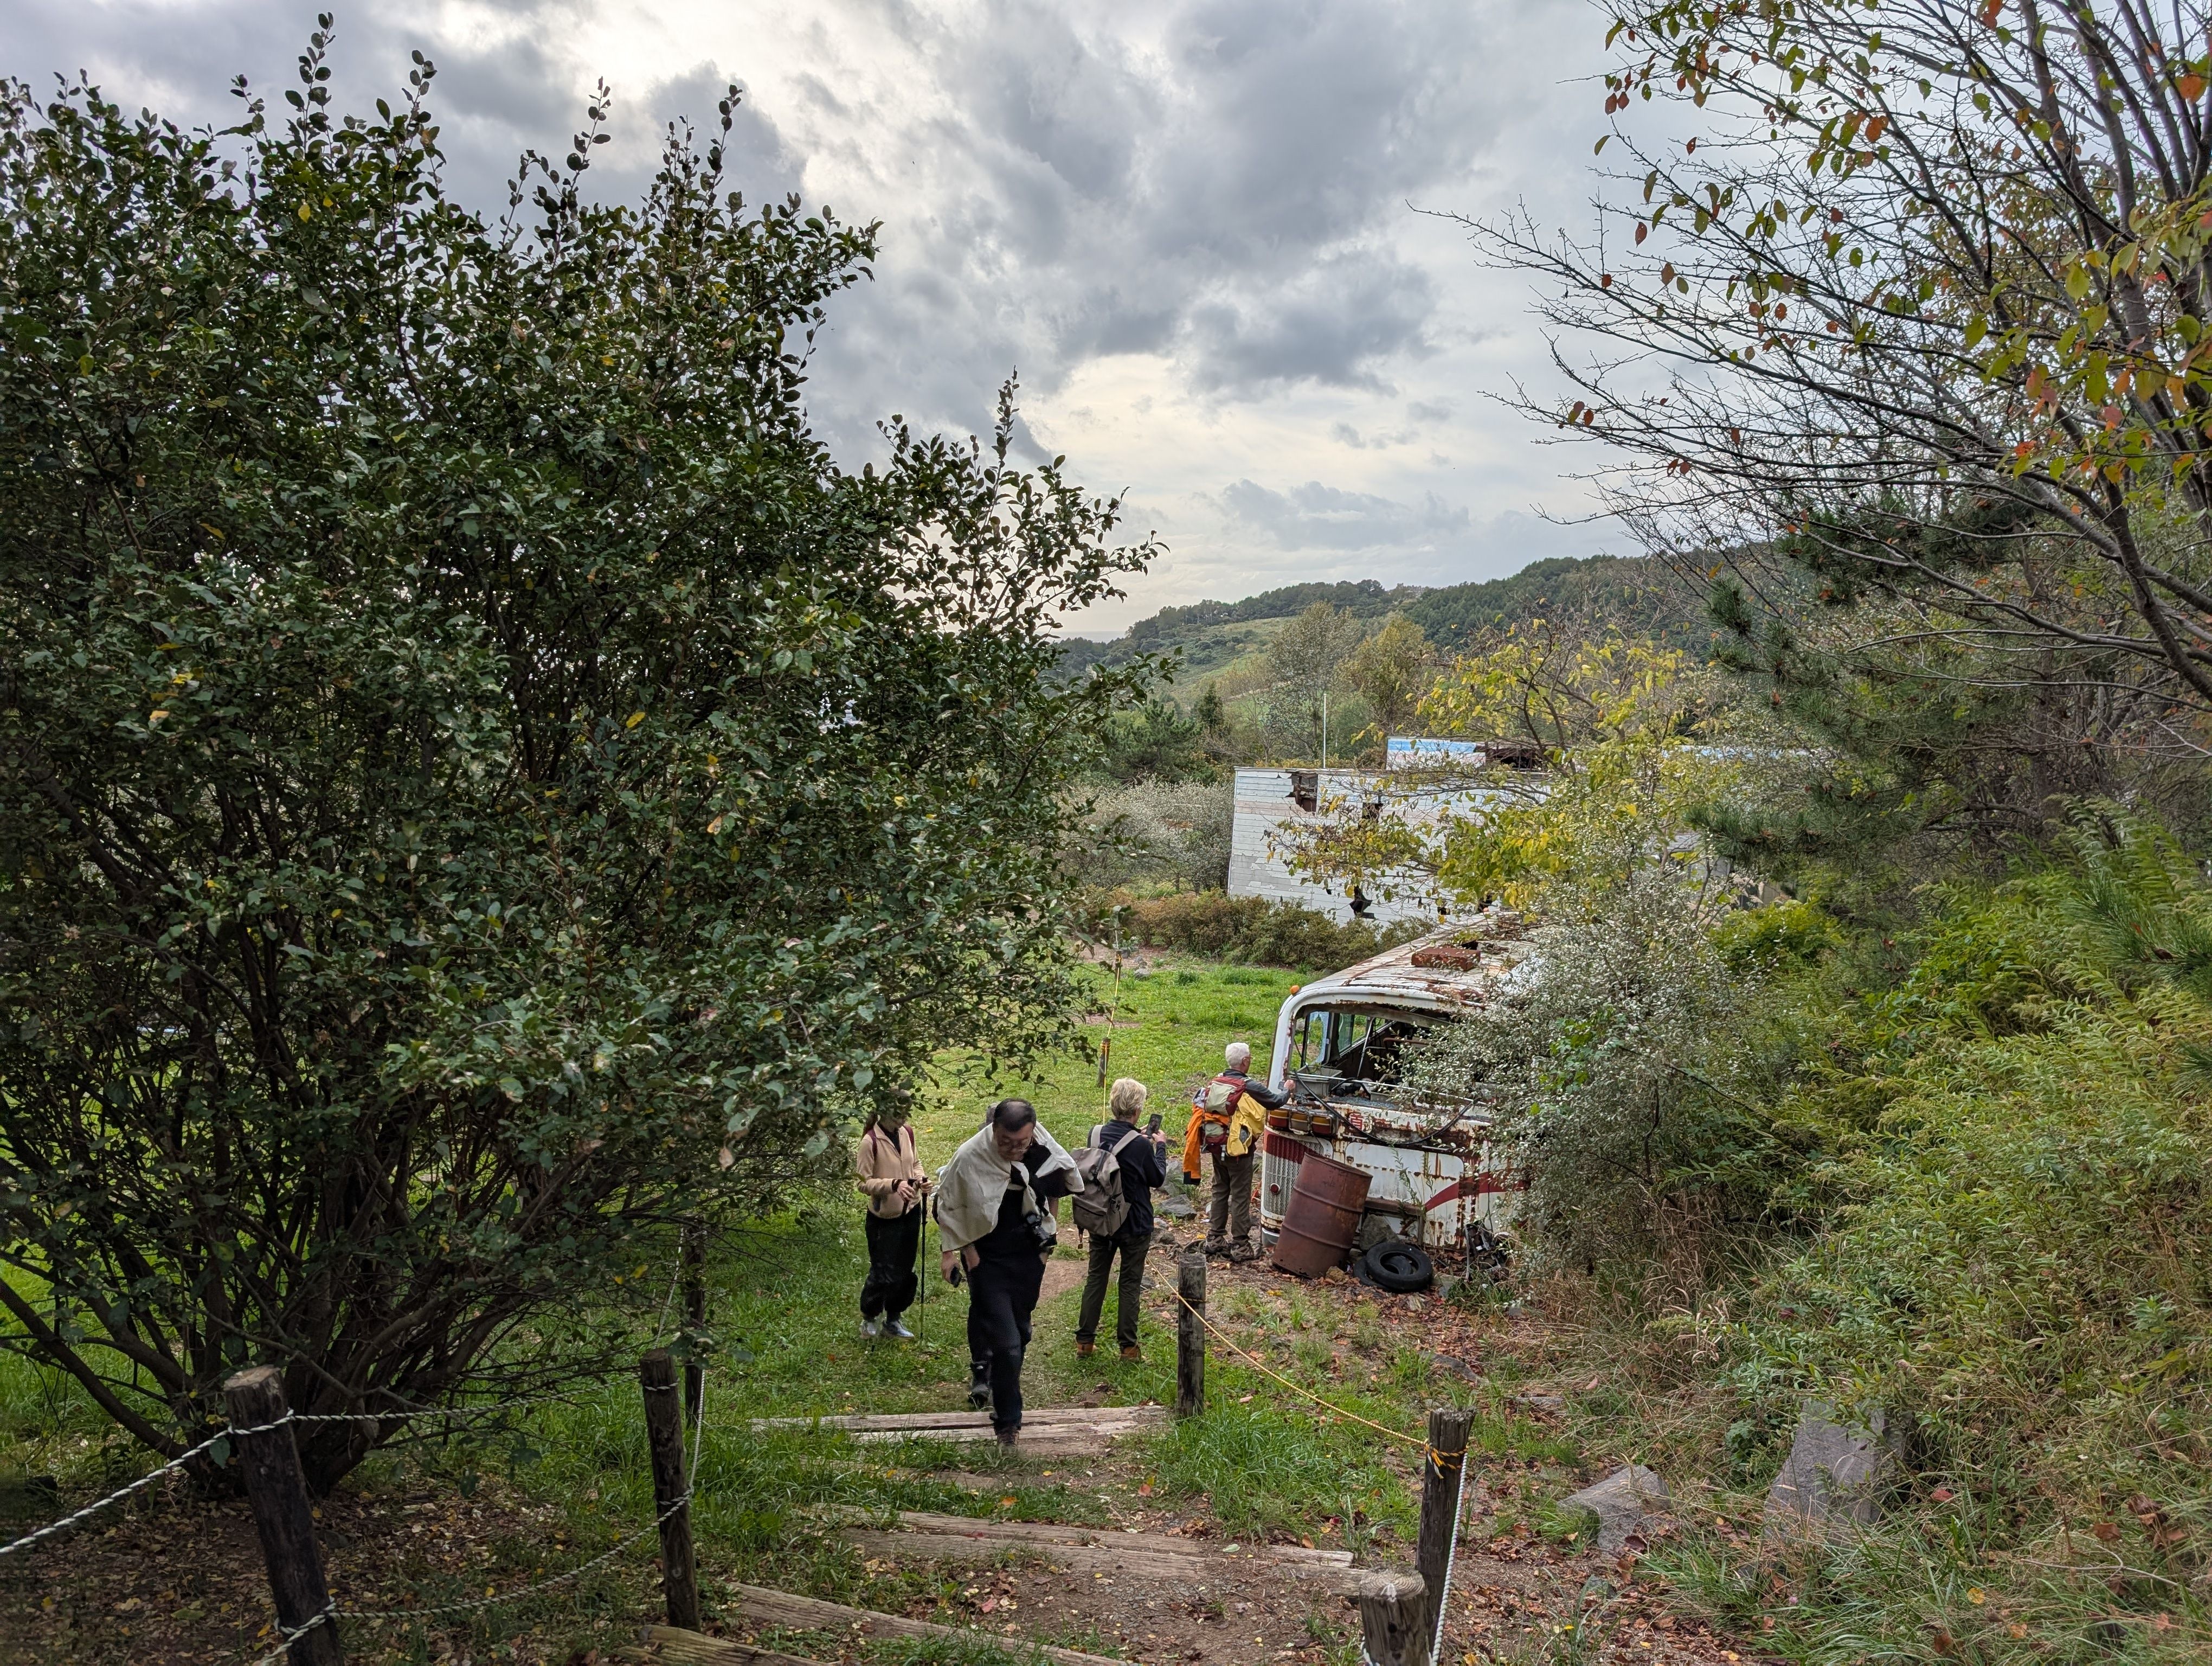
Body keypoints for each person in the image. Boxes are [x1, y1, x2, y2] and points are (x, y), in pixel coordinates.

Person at [933, 1098, 1080, 1445]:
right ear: (993, 1130)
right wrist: (961, 1253)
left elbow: (1057, 1185)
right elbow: (948, 1205)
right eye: (1006, 1142)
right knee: (1008, 1344)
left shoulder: (1041, 1147)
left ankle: (1001, 1388)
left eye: (1021, 1143)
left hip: (1028, 1256)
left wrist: (1049, 1243)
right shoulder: (970, 1156)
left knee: (1021, 1331)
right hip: (988, 1261)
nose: (1014, 1149)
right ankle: (1008, 1425)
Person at [1075, 1078, 1168, 1361]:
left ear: (1114, 1105)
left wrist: (1134, 1135)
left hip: (1101, 1218)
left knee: (1096, 1277)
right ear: (1138, 1110)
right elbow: (1158, 1178)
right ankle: (1128, 1347)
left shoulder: (1095, 1134)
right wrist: (1160, 1146)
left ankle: (1085, 1342)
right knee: (1129, 1281)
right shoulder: (1141, 1146)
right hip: (1134, 1222)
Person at [1182, 1040, 1285, 1261]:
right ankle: (1240, 1246)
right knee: (1240, 1195)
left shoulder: (1215, 1082)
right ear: (1246, 1062)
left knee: (1220, 1190)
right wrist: (1288, 1090)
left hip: (1215, 1145)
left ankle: (1214, 1239)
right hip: (1239, 1152)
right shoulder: (1248, 1086)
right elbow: (1276, 1102)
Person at [854, 1095, 927, 1340]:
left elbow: (915, 1163)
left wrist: (920, 1180)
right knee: (882, 1271)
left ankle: (893, 1319)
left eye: (906, 1113)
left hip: (911, 1210)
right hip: (884, 1217)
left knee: (905, 1269)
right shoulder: (870, 1141)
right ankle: (870, 1318)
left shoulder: (907, 1132)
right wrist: (893, 1185)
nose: (903, 1118)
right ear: (883, 1113)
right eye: (898, 1114)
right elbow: (862, 1183)